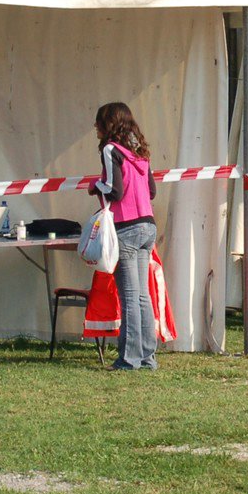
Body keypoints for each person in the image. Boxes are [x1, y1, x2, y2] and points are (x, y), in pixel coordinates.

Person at [90, 102, 158, 371]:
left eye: (98, 123)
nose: (95, 128)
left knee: (129, 296)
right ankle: (147, 357)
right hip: (148, 226)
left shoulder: (111, 150)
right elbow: (151, 191)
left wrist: (94, 186)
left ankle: (128, 359)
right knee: (142, 296)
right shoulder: (140, 153)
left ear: (107, 124)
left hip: (127, 226)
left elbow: (113, 191)